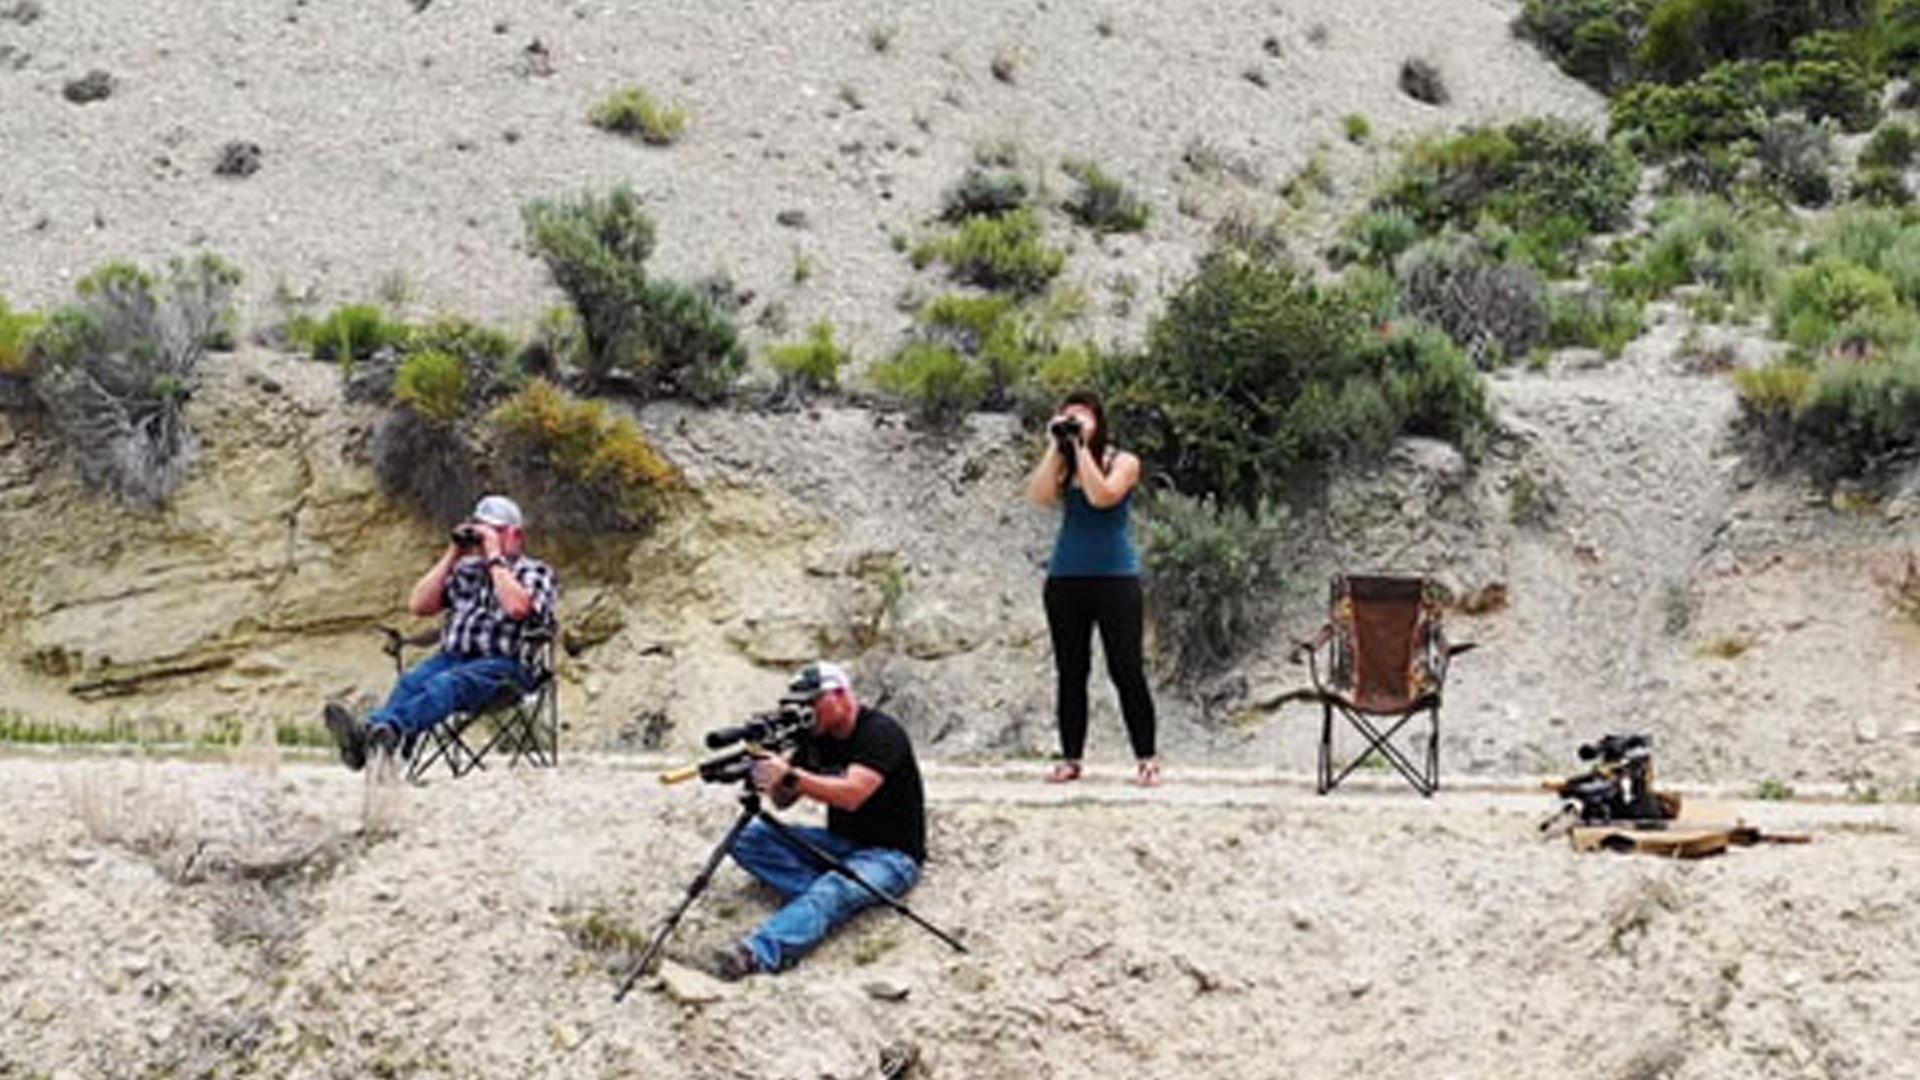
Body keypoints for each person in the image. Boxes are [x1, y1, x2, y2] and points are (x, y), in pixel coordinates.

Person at [711, 661, 926, 979]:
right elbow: (783, 802)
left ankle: (757, 954)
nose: (807, 711)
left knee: (832, 890)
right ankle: (823, 901)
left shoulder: (881, 733)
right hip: (840, 841)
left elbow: (852, 795)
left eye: (813, 702)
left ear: (840, 695)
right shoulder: (815, 738)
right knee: (746, 838)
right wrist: (768, 773)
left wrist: (792, 775)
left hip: (891, 854)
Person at [323, 494, 558, 769]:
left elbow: (518, 608)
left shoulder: (536, 572)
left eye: (493, 531)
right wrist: (453, 553)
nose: (482, 539)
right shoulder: (466, 570)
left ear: (515, 535)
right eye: (480, 530)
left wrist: (495, 558)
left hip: (507, 668)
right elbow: (419, 605)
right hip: (454, 657)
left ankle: (382, 733)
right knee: (412, 681)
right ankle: (372, 743)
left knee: (446, 683)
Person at [1024, 390, 1160, 787]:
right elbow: (1039, 496)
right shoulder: (1064, 466)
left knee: (1126, 667)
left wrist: (1082, 448)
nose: (1076, 423)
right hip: (1067, 576)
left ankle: (1146, 756)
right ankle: (1071, 757)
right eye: (1069, 416)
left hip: (1115, 577)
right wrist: (1055, 447)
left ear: (1099, 420)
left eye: (1083, 416)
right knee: (1071, 670)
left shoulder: (1124, 461)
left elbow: (1103, 496)